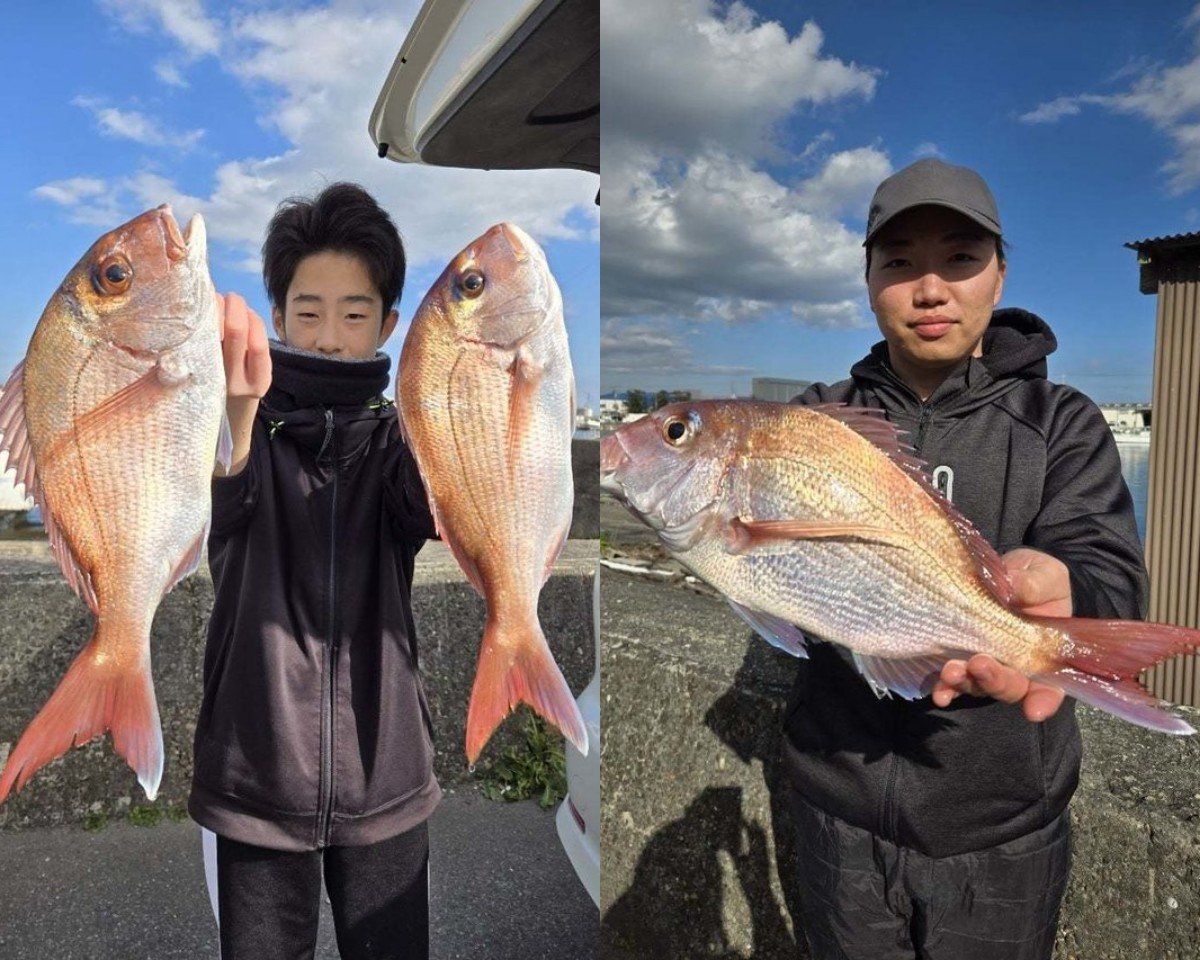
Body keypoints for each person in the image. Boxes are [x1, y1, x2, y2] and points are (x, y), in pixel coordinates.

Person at [782, 158, 1147, 960]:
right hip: (835, 806)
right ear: (869, 279)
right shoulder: (816, 422)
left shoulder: (1061, 421)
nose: (930, 288)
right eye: (900, 262)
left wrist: (1063, 584)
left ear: (1000, 272)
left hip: (1006, 824)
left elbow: (1109, 566)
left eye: (959, 258)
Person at [189, 182, 439, 960]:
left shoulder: (406, 442)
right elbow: (220, 504)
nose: (330, 337)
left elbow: (430, 512)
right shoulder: (240, 430)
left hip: (386, 776)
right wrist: (234, 411)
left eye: (355, 314)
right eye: (308, 311)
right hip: (256, 773)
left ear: (388, 325)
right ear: (276, 314)